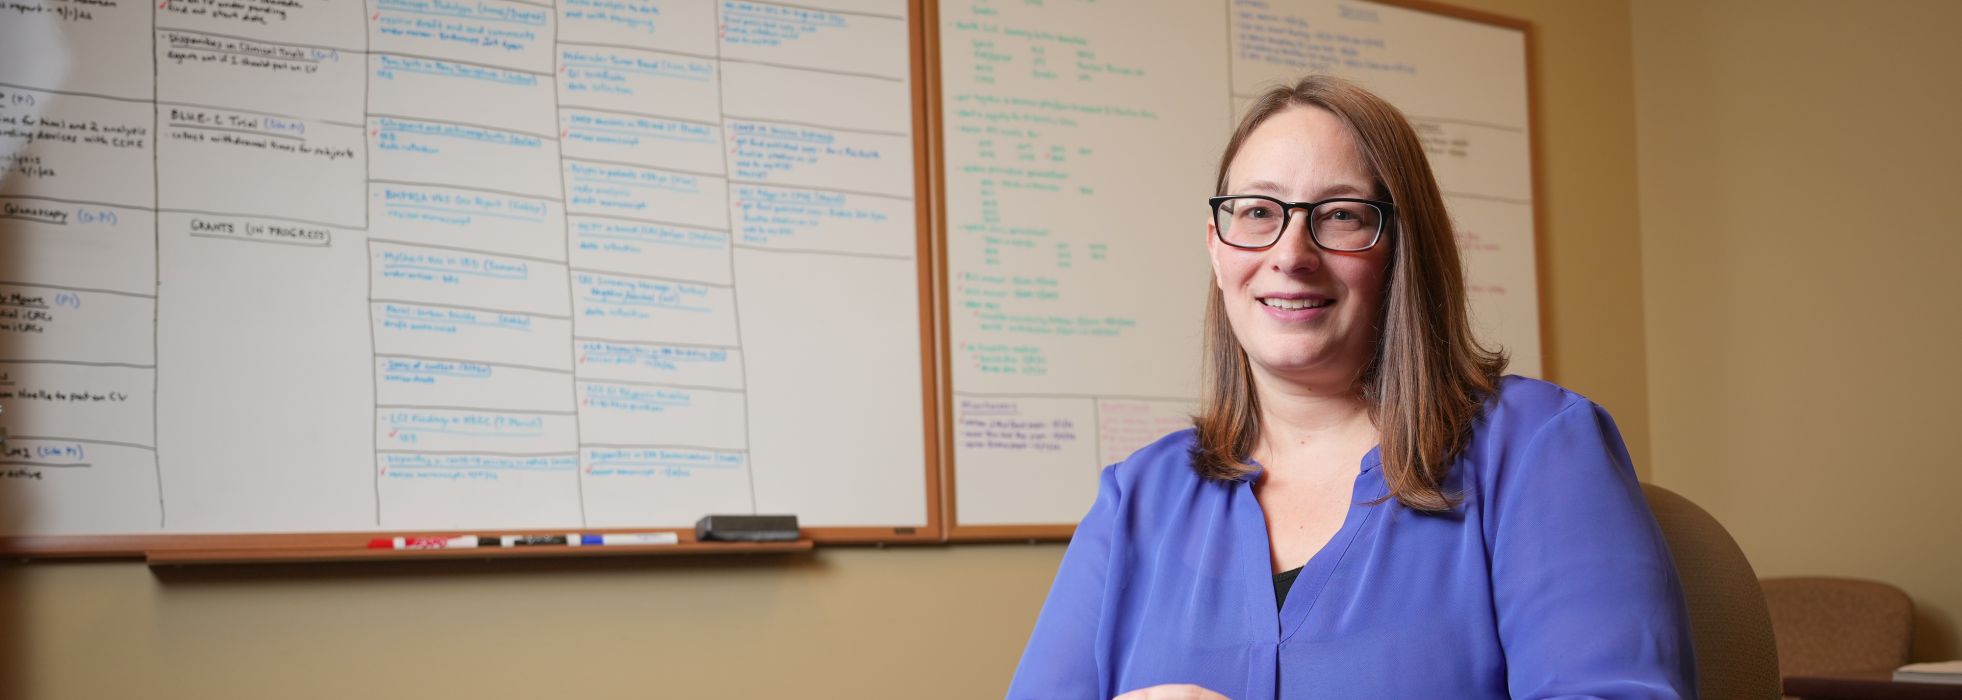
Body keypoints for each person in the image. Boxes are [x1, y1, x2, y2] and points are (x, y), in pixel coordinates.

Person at [1006, 76, 1696, 699]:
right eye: (1256, 213)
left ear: (1404, 246)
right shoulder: (1137, 499)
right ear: (1217, 251)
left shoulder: (1538, 448)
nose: (1290, 254)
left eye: (1340, 215)